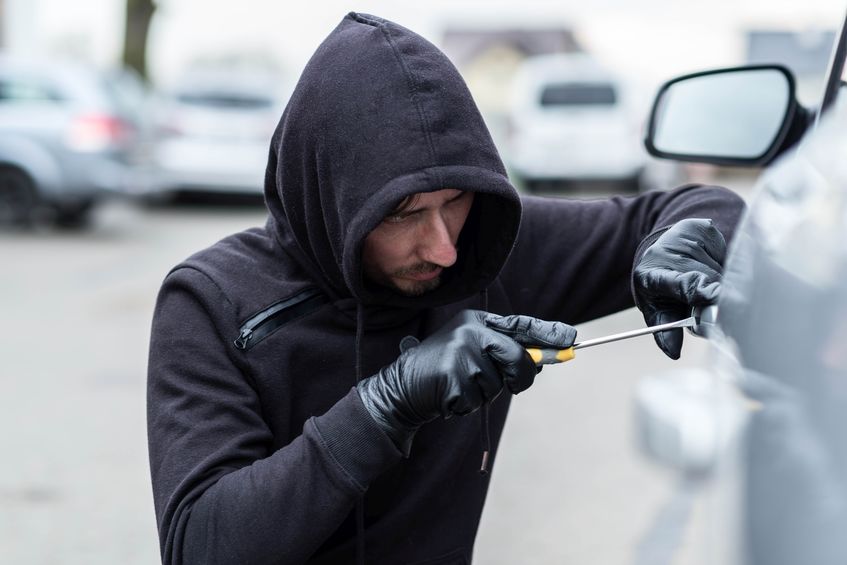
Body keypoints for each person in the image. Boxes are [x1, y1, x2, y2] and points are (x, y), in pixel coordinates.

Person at [146, 12, 745, 565]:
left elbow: (702, 204)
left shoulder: (486, 252)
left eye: (453, 201)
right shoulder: (212, 302)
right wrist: (384, 406)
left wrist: (680, 242)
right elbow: (200, 547)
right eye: (402, 214)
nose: (443, 248)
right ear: (332, 197)